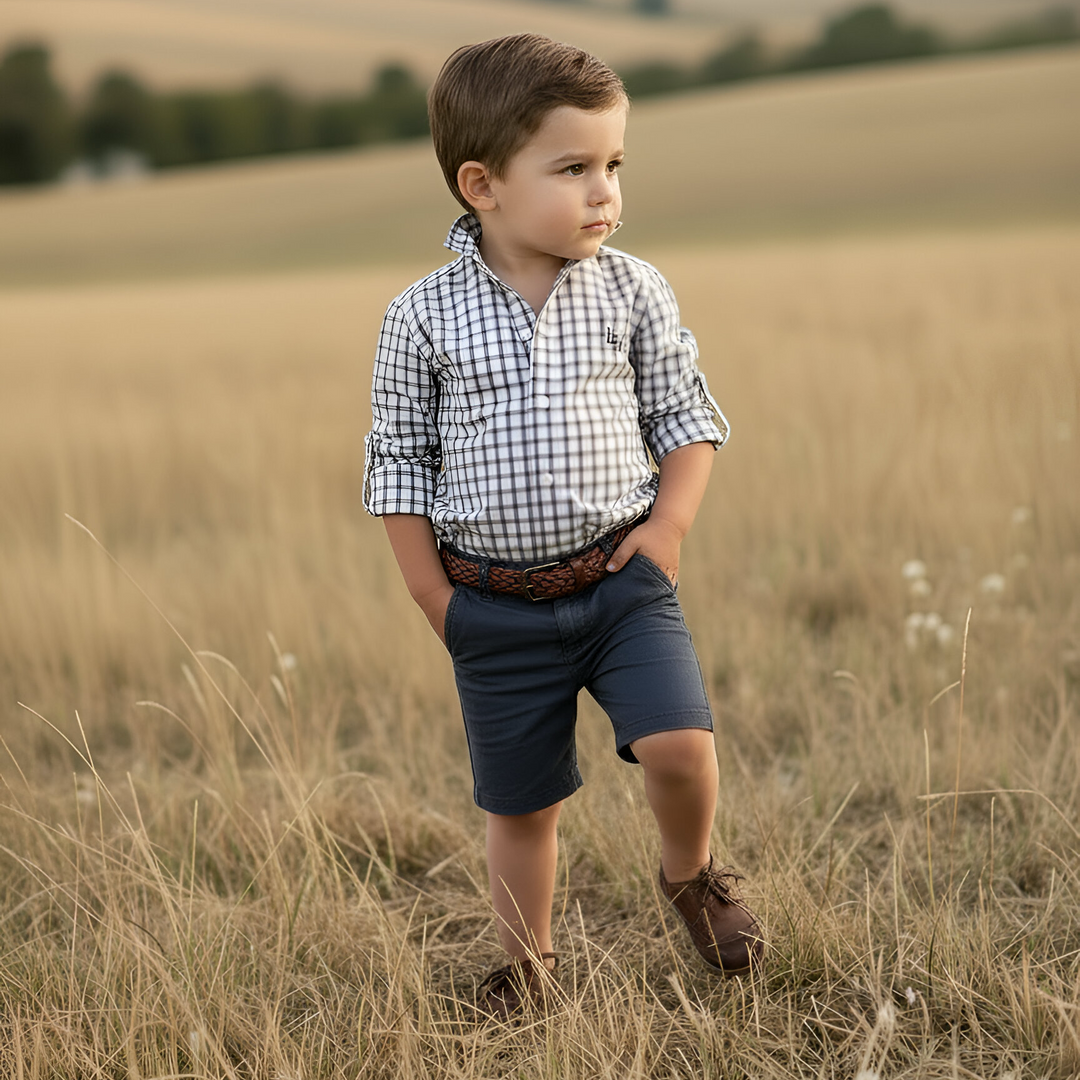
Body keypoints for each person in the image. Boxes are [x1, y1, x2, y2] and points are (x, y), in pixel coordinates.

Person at [363, 32, 763, 1018]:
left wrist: (667, 532)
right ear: (482, 183)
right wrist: (432, 596)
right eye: (574, 167)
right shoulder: (421, 317)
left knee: (680, 748)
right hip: (492, 608)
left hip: (623, 585)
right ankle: (528, 970)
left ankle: (690, 873)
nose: (605, 193)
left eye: (615, 166)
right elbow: (398, 464)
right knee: (521, 808)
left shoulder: (632, 289)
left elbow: (686, 417)